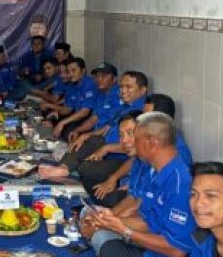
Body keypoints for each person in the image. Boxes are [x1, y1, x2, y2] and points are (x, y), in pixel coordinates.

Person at [91, 112, 197, 257]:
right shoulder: (155, 171)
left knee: (103, 240)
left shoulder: (180, 183)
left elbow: (177, 250)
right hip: (145, 243)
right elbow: (146, 219)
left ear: (151, 142)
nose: (129, 142)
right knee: (96, 226)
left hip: (156, 251)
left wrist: (124, 230)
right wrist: (108, 221)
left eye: (135, 138)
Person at [81, 93, 194, 207]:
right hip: (137, 190)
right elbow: (136, 161)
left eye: (146, 117)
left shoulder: (175, 154)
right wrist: (114, 178)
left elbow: (150, 199)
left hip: (152, 205)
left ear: (162, 120)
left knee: (113, 198)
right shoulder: (149, 138)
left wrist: (132, 190)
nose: (140, 121)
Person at [38, 70, 148, 179]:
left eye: (129, 87)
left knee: (86, 168)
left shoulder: (142, 112)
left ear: (142, 90)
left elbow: (136, 147)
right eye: (122, 86)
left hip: (121, 155)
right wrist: (86, 135)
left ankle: (70, 166)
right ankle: (64, 167)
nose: (123, 90)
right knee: (87, 140)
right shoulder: (126, 106)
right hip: (104, 144)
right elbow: (107, 127)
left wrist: (106, 148)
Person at [49, 57, 98, 139]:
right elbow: (68, 108)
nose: (70, 74)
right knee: (53, 120)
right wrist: (57, 113)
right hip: (77, 116)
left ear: (83, 71)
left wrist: (62, 123)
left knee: (67, 131)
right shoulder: (73, 84)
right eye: (68, 71)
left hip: (89, 119)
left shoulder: (89, 84)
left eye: (74, 70)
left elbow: (85, 112)